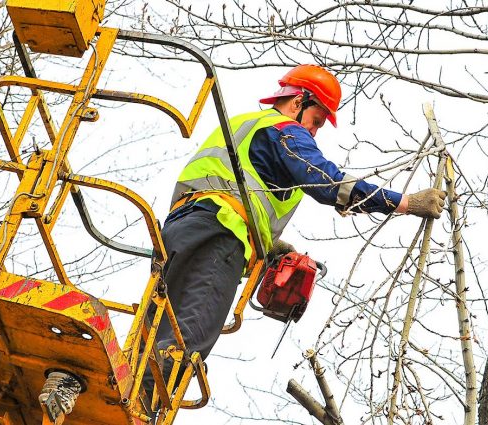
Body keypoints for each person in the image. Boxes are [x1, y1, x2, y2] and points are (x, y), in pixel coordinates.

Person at [141, 64, 445, 410]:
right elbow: (327, 181)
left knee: (153, 336)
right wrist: (403, 203)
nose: (314, 132)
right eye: (316, 120)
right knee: (189, 337)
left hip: (180, 231)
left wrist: (267, 245)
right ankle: (139, 414)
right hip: (221, 236)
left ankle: (119, 402)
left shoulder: (244, 125)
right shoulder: (284, 131)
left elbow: (234, 186)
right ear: (299, 101)